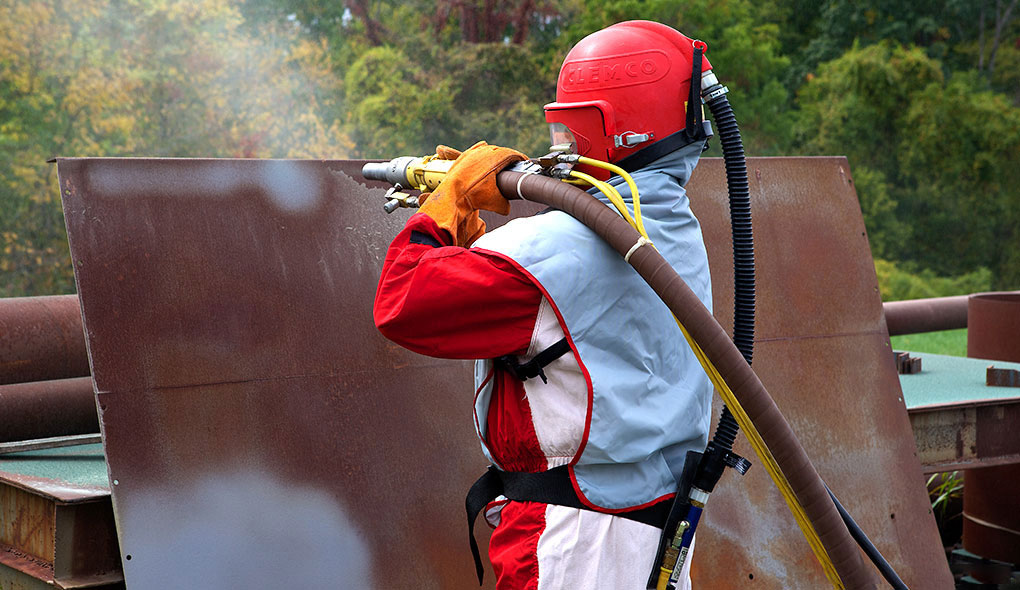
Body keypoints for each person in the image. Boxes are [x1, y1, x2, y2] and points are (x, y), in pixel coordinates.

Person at [373, 20, 714, 590]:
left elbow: (402, 302)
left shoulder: (562, 248)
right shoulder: (670, 227)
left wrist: (446, 205)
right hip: (651, 533)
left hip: (573, 545)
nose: (559, 151)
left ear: (600, 126)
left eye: (565, 134)